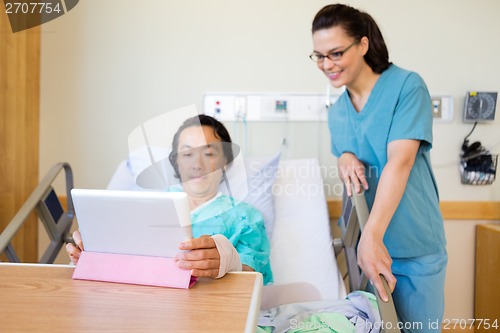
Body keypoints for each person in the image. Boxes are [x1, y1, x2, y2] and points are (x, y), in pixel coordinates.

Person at [310, 4, 447, 332]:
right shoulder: (337, 112)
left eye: (336, 53)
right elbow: (352, 148)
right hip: (368, 252)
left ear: (362, 45)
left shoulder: (406, 87)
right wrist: (344, 155)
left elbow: (401, 161)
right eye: (318, 56)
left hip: (413, 246)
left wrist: (371, 236)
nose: (327, 64)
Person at [67, 114, 273, 285]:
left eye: (209, 153)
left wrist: (232, 262)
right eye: (187, 154)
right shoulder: (142, 205)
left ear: (226, 160)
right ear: (176, 162)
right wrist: (91, 250)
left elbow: (256, 279)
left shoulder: (245, 218)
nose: (197, 164)